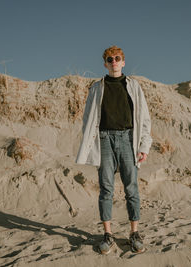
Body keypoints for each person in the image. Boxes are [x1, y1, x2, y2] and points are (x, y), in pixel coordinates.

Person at [76, 45, 152, 254]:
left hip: (128, 139)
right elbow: (88, 119)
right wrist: (91, 142)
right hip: (104, 139)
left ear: (123, 62)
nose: (114, 62)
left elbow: (144, 118)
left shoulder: (134, 86)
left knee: (131, 188)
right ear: (105, 64)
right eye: (110, 59)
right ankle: (108, 235)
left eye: (117, 58)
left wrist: (144, 146)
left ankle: (134, 233)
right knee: (106, 188)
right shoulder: (97, 87)